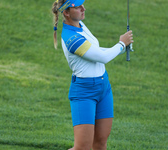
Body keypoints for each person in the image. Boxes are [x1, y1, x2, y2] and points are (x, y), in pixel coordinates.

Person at [52, 0, 133, 149]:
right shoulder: (71, 39)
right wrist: (121, 44)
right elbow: (102, 57)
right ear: (66, 12)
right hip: (84, 92)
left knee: (100, 143)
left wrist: (119, 47)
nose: (84, 8)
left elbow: (95, 50)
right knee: (82, 147)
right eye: (78, 7)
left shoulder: (81, 25)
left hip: (104, 88)